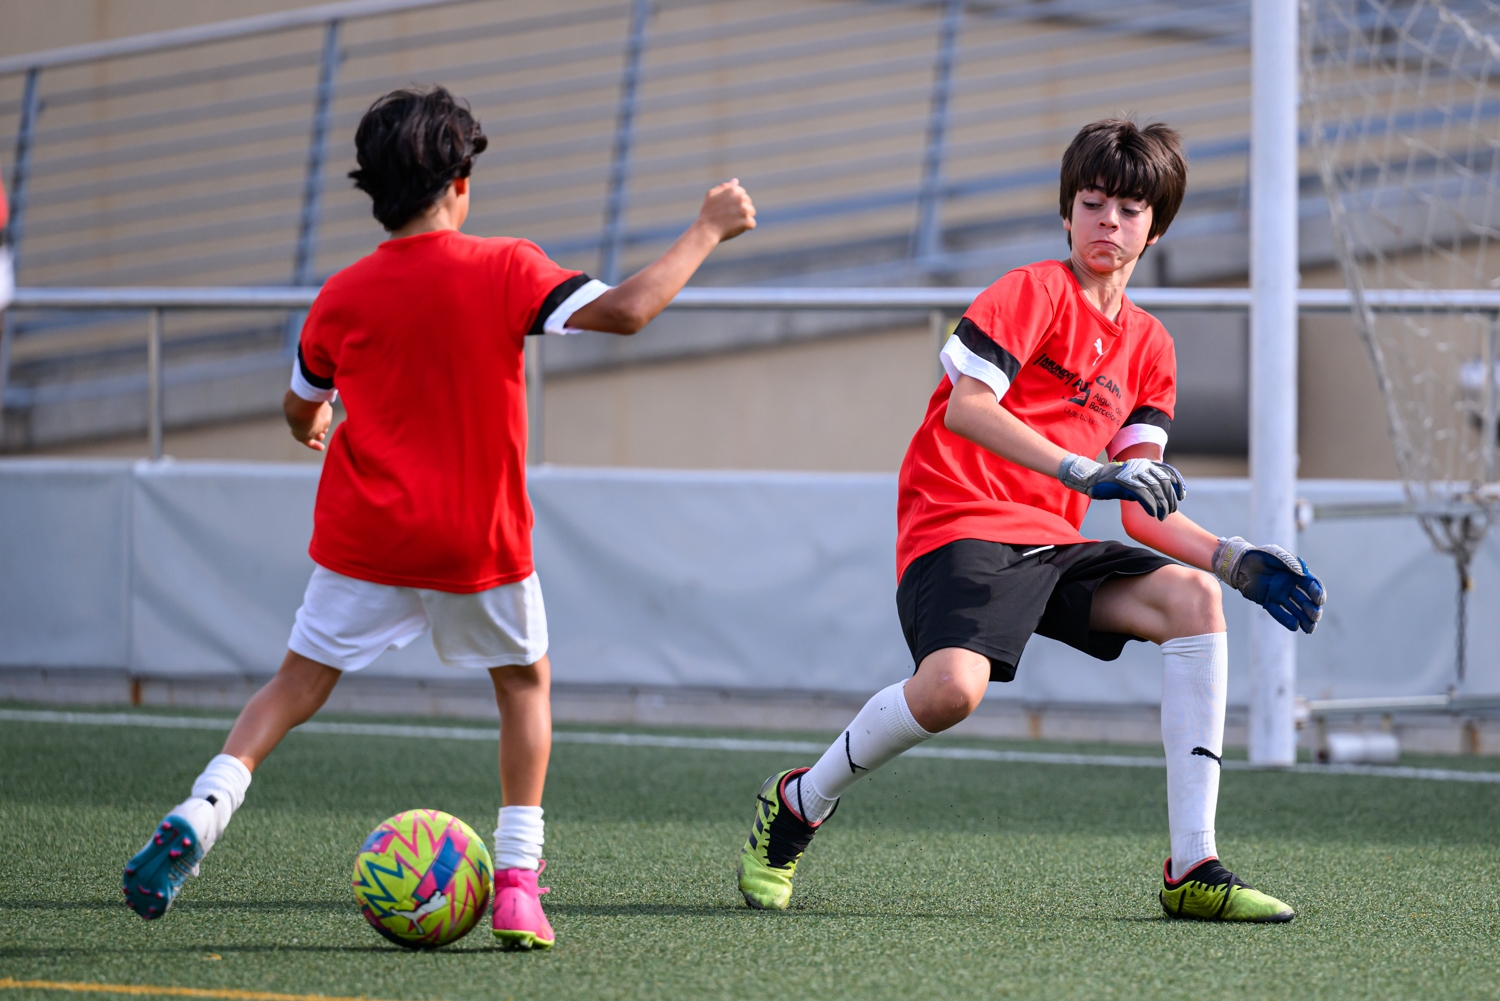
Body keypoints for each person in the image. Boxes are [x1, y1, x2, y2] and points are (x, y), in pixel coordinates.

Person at [122, 86, 756, 949]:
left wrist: (312, 421)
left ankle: (203, 807)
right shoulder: (505, 267)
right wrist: (708, 228)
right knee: (522, 686)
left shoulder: (341, 294)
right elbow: (629, 309)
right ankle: (519, 883)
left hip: (364, 540)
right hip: (474, 543)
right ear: (459, 183)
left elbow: (300, 401)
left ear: (374, 191)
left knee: (295, 684)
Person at [735, 119, 1324, 923]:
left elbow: (1141, 507)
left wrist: (1230, 558)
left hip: (1054, 542)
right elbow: (969, 410)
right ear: (1067, 210)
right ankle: (800, 800)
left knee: (1194, 598)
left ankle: (1194, 865)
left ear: (1156, 226)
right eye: (1093, 204)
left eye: (1128, 210)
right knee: (951, 692)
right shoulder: (1031, 292)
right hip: (959, 520)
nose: (1108, 222)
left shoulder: (1151, 347)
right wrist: (1082, 469)